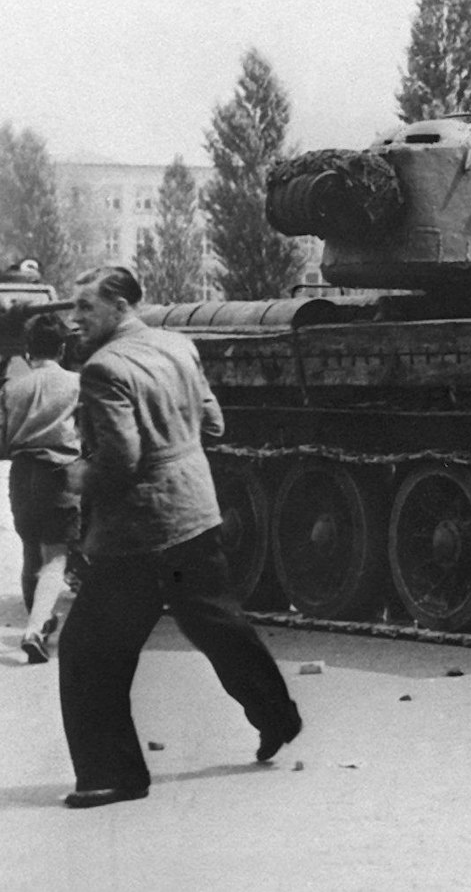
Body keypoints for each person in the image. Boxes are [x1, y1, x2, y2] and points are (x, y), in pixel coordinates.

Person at [56, 266, 303, 809]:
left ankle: (113, 776)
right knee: (214, 620)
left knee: (87, 651)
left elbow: (121, 460)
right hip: (196, 511)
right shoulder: (176, 344)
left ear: (120, 306)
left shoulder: (104, 369)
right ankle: (278, 716)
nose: (74, 320)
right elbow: (213, 425)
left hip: (138, 532)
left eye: (85, 308)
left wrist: (77, 475)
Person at [2, 312, 80, 663]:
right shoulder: (75, 384)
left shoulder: (13, 387)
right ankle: (34, 631)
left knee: (31, 552)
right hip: (57, 473)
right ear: (63, 347)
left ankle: (42, 622)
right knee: (56, 558)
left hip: (21, 475)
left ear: (29, 350)